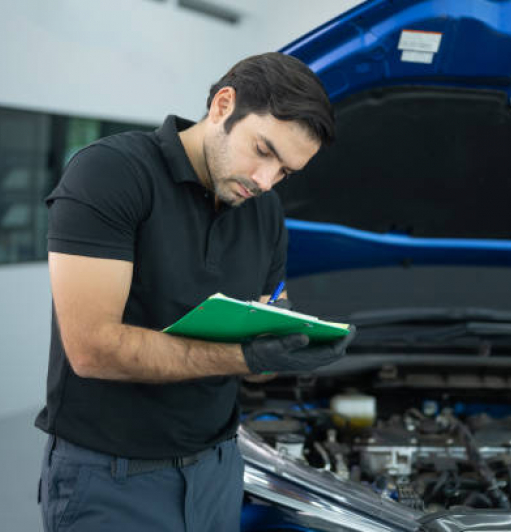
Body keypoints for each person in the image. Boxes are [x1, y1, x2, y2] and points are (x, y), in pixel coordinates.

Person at [35, 52, 356, 532]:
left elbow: (267, 324)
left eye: (286, 172)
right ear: (224, 105)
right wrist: (249, 358)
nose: (266, 181)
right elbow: (92, 350)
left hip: (219, 470)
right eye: (263, 151)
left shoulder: (265, 212)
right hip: (110, 479)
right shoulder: (111, 174)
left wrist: (290, 345)